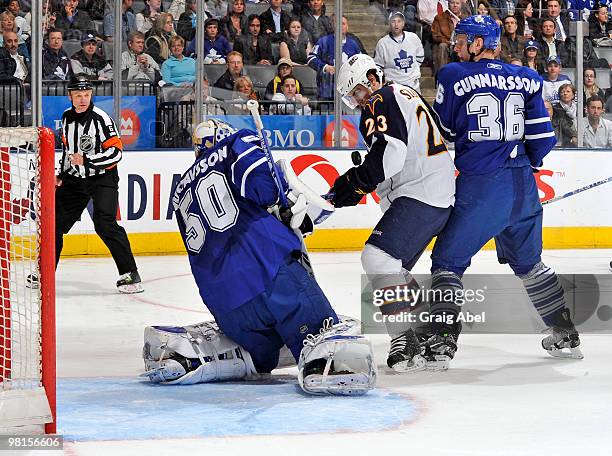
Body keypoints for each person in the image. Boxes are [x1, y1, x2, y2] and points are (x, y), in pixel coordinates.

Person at [141, 118, 376, 395]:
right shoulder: (234, 144)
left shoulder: (180, 190)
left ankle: (228, 355)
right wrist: (283, 203)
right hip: (270, 274)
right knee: (333, 341)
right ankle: (330, 360)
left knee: (263, 356)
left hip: (226, 305)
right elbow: (264, 188)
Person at [427, 15, 582, 369]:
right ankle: (565, 332)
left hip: (482, 185)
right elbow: (544, 139)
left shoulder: (453, 75)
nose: (458, 45)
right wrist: (525, 167)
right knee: (530, 264)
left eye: (464, 39)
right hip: (523, 184)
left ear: (480, 42)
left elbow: (445, 132)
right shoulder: (528, 77)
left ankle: (441, 343)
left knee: (447, 262)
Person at [333, 54, 455, 372]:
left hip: (421, 193)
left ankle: (403, 339)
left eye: (357, 91)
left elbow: (392, 153)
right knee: (393, 270)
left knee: (376, 258)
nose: (358, 101)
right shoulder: (404, 93)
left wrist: (356, 182)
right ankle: (432, 329)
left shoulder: (381, 98)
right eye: (353, 96)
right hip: (434, 194)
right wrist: (358, 183)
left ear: (372, 78)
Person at [54, 76, 143, 294]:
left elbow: (115, 152)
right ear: (70, 97)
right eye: (78, 95)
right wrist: (62, 174)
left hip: (103, 178)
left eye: (86, 94)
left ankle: (130, 273)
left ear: (91, 95)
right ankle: (45, 272)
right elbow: (68, 151)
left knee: (105, 223)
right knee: (52, 226)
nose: (83, 99)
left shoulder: (101, 118)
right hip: (75, 179)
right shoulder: (66, 118)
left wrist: (88, 160)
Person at [307, 15, 361, 101]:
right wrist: (325, 67)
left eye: (343, 24)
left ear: (347, 27)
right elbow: (311, 59)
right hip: (326, 91)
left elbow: (361, 63)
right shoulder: (323, 41)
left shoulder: (353, 44)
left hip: (348, 93)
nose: (341, 26)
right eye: (338, 23)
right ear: (333, 26)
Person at [373, 11, 424, 92]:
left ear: (403, 24)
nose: (396, 24)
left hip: (413, 86)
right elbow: (378, 66)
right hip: (393, 88)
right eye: (393, 21)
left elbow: (420, 57)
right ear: (389, 24)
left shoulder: (413, 38)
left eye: (399, 21)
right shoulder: (382, 43)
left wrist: (411, 72)